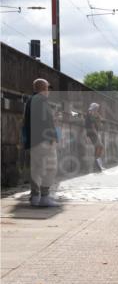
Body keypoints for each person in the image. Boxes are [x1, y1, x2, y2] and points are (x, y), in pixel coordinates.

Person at [23, 79, 60, 207]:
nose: (49, 91)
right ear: (44, 88)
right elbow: (46, 122)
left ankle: (34, 196)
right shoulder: (42, 101)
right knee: (50, 167)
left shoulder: (30, 100)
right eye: (48, 88)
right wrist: (53, 138)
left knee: (36, 168)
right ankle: (44, 196)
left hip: (33, 141)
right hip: (44, 140)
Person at [85, 102, 104, 172]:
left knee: (98, 147)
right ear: (94, 108)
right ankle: (97, 161)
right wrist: (97, 134)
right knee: (100, 146)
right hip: (92, 133)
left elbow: (100, 124)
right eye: (96, 108)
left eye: (97, 109)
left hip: (94, 132)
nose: (97, 110)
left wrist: (98, 118)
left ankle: (97, 163)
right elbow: (92, 126)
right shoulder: (90, 113)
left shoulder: (94, 114)